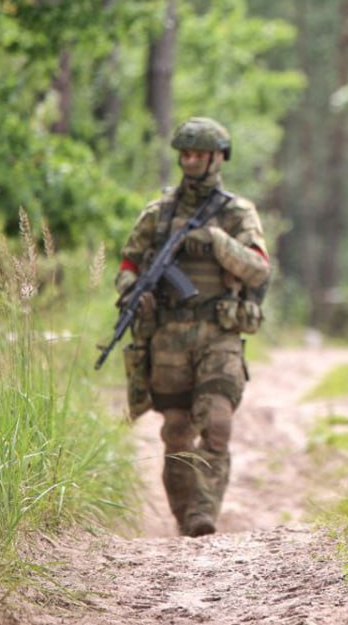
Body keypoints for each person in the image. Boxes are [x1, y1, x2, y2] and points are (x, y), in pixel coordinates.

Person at [115, 117, 271, 537]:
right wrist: (133, 293)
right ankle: (186, 515)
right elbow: (128, 264)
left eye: (199, 154)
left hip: (218, 333)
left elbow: (257, 269)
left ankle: (204, 510)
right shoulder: (158, 214)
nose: (191, 161)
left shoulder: (236, 213)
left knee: (217, 423)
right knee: (177, 431)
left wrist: (218, 242)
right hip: (168, 336)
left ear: (219, 157)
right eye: (185, 154)